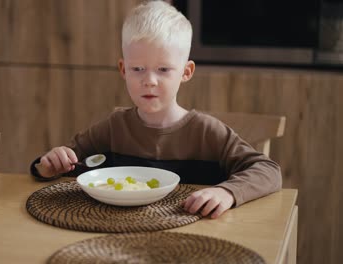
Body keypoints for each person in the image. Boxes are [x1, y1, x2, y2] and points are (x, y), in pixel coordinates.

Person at [30, 0, 281, 219]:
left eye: (163, 69)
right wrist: (48, 165)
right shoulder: (114, 127)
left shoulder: (207, 132)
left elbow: (268, 171)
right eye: (138, 69)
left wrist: (227, 192)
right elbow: (63, 164)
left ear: (186, 72)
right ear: (123, 69)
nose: (149, 80)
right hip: (116, 232)